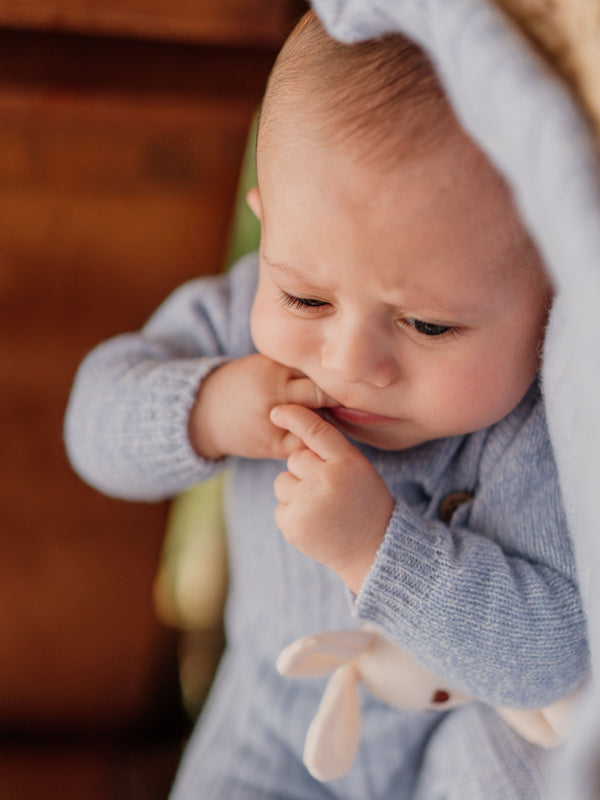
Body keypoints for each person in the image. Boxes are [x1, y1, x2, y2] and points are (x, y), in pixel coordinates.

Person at [64, 10, 588, 800]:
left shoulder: (531, 427)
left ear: (550, 297)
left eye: (428, 323)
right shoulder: (238, 323)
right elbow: (90, 428)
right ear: (265, 224)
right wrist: (206, 407)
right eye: (306, 299)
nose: (350, 364)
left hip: (459, 737)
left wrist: (376, 546)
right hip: (267, 716)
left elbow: (549, 655)